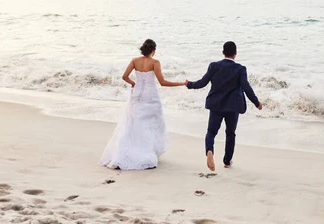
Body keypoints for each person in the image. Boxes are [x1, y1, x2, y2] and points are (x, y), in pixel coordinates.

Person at [100, 39, 186, 170]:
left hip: (137, 94)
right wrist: (180, 83)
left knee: (133, 123)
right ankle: (146, 152)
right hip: (151, 96)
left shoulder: (135, 61)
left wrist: (134, 84)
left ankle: (126, 152)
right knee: (150, 125)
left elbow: (124, 76)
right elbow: (162, 82)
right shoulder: (155, 62)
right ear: (153, 51)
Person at [186, 41, 262, 171]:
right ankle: (227, 161)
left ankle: (209, 150)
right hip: (233, 107)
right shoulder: (240, 69)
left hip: (216, 105)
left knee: (211, 131)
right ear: (235, 54)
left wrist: (189, 84)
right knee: (230, 133)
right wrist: (256, 102)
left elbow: (203, 82)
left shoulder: (214, 66)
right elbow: (246, 88)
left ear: (223, 52)